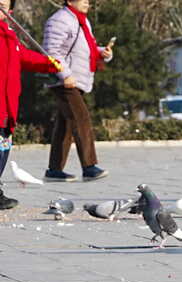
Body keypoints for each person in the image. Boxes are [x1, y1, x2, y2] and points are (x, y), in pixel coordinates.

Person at [0, 0, 63, 209]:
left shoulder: (10, 35)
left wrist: (48, 63)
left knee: (3, 150)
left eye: (4, 5)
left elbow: (24, 56)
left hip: (8, 106)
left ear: (10, 10)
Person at [42, 0, 112, 182]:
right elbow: (51, 51)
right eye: (84, 0)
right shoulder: (60, 20)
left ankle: (54, 170)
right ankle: (89, 167)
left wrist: (102, 52)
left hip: (77, 79)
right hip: (63, 80)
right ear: (70, 1)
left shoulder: (82, 20)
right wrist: (64, 74)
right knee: (81, 117)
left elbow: (86, 48)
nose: (87, 3)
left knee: (65, 123)